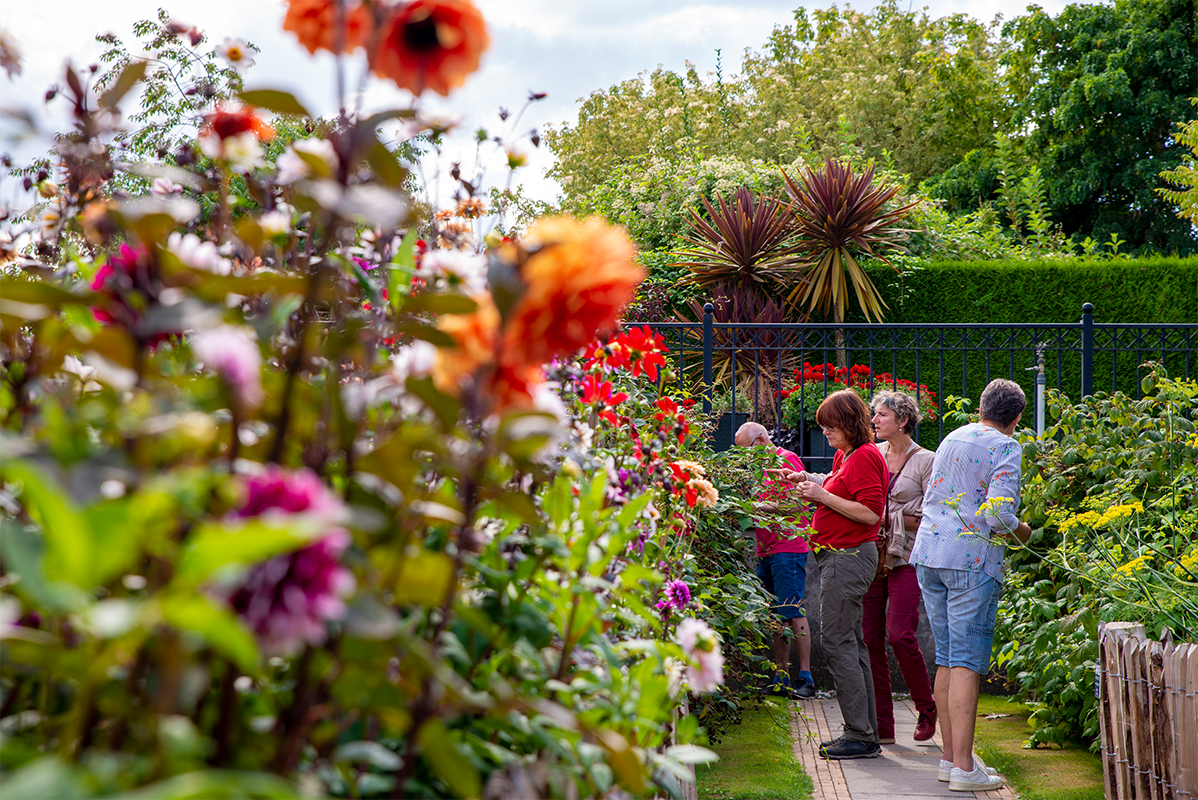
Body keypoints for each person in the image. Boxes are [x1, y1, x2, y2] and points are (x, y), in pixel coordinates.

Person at [910, 379, 1032, 792]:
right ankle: (964, 767)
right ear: (1016, 417)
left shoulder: (952, 436)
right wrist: (1024, 530)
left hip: (929, 551)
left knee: (946, 656)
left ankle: (949, 760)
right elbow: (998, 517)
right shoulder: (1006, 446)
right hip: (970, 557)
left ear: (981, 407)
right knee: (964, 660)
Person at [779, 389, 888, 759]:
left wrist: (821, 496)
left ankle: (859, 733)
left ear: (850, 422)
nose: (824, 433)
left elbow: (870, 513)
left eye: (830, 426)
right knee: (851, 644)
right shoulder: (848, 454)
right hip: (839, 556)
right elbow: (838, 484)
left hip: (849, 557)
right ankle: (866, 732)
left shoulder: (865, 456)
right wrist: (806, 478)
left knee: (839, 642)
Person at [865, 391, 937, 744]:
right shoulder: (873, 454)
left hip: (906, 558)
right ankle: (883, 725)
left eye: (881, 415)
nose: (874, 420)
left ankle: (926, 707)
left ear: (903, 420)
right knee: (869, 638)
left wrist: (887, 518)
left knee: (899, 634)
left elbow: (932, 517)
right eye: (874, 415)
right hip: (872, 557)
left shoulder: (927, 461)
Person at [734, 421, 816, 700]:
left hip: (788, 547)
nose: (743, 458)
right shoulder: (758, 469)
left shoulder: (786, 459)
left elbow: (800, 503)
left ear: (759, 441)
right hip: (766, 548)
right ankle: (781, 675)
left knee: (792, 610)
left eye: (745, 450)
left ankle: (805, 677)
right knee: (774, 615)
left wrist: (760, 507)